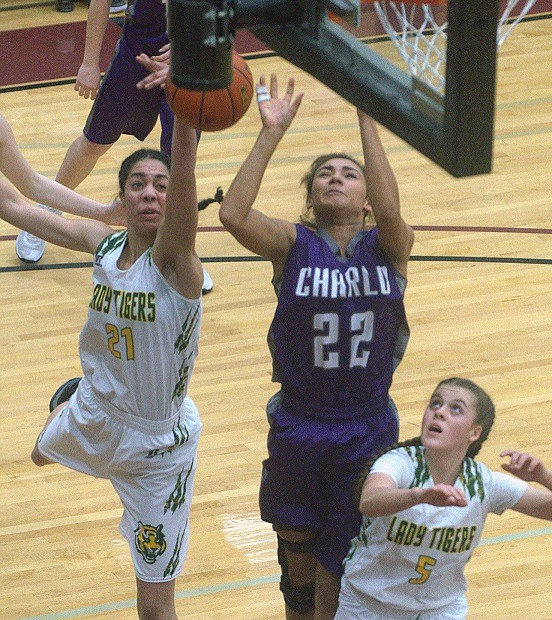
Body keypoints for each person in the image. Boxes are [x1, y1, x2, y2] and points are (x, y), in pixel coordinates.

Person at [218, 74, 415, 619]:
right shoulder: (292, 244)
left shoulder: (390, 244)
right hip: (300, 422)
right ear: (310, 195)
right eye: (325, 174)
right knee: (298, 559)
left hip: (368, 423)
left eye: (349, 174)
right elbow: (232, 215)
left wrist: (366, 116)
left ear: (367, 196)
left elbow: (393, 210)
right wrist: (270, 134)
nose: (336, 178)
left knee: (342, 561)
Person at [1, 115, 206, 620]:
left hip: (158, 449)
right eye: (138, 184)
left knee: (156, 609)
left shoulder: (178, 264)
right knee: (36, 457)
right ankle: (73, 397)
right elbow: (13, 201)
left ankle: (69, 399)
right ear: (122, 198)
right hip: (97, 411)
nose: (152, 194)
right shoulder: (103, 243)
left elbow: (183, 185)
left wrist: (182, 112)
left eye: (161, 185)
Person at [334, 377, 552, 620]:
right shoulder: (399, 463)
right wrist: (419, 495)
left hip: (440, 610)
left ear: (474, 433)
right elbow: (370, 500)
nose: (439, 411)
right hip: (369, 607)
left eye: (455, 409)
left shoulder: (484, 483)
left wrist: (545, 476)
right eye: (435, 403)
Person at [17, 0, 213, 293]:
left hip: (186, 60)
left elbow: (227, 8)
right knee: (94, 142)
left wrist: (198, 41)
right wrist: (88, 62)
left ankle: (181, 253)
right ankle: (48, 210)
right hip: (138, 49)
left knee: (181, 165)